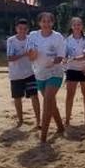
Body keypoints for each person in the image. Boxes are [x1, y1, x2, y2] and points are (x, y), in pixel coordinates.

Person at [26, 12, 66, 143]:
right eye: (43, 21)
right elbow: (30, 56)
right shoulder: (33, 36)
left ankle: (43, 136)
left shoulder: (57, 37)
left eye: (49, 21)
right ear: (39, 23)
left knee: (47, 101)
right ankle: (60, 127)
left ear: (53, 23)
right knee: (51, 103)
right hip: (39, 73)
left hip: (55, 72)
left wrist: (54, 61)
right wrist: (32, 54)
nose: (46, 24)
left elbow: (61, 56)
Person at [6, 19, 40, 128]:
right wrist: (24, 54)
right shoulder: (11, 40)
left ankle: (38, 121)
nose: (22, 31)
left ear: (28, 29)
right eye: (20, 28)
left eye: (25, 29)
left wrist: (33, 55)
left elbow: (35, 55)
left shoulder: (31, 39)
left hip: (30, 73)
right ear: (16, 29)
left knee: (35, 96)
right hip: (15, 74)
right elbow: (10, 58)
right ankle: (20, 120)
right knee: (17, 98)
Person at [64, 17, 85, 127]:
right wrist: (64, 59)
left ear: (82, 26)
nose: (77, 27)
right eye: (74, 25)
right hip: (71, 69)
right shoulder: (67, 40)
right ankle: (67, 119)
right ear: (71, 26)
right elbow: (64, 55)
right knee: (70, 95)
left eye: (79, 24)